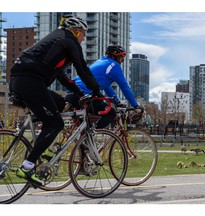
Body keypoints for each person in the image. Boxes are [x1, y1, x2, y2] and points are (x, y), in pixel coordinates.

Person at [9, 15, 101, 186]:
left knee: (60, 104)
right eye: (83, 35)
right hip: (30, 81)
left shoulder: (56, 41)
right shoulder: (69, 41)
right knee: (55, 124)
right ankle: (27, 166)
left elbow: (62, 76)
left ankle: (45, 147)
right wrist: (95, 90)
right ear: (76, 31)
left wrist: (79, 92)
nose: (83, 39)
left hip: (19, 79)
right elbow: (82, 67)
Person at [65, 45, 144, 129]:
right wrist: (135, 105)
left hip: (73, 91)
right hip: (83, 94)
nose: (122, 61)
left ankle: (83, 140)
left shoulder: (102, 61)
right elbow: (125, 87)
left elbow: (107, 87)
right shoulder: (114, 66)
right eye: (122, 57)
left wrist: (117, 102)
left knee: (85, 124)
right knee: (111, 114)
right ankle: (92, 133)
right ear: (116, 56)